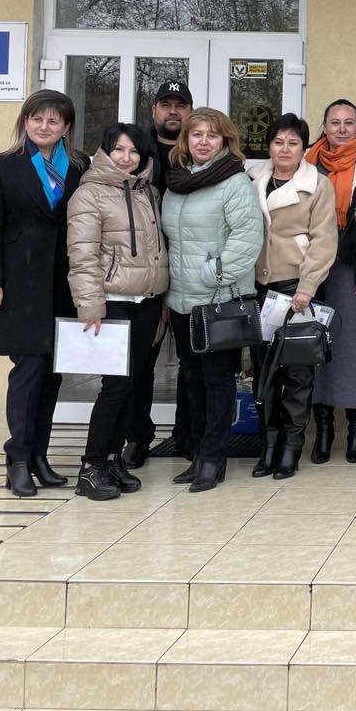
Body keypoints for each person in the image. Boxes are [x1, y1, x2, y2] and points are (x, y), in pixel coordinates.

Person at [0, 90, 87, 499]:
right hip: (18, 284)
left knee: (53, 373)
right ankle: (17, 459)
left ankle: (39, 455)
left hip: (62, 283)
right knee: (29, 369)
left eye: (53, 120)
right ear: (25, 122)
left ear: (66, 127)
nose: (44, 126)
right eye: (37, 119)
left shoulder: (81, 167)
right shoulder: (1, 166)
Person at [161, 107, 264, 493]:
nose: (204, 142)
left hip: (218, 299)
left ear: (225, 141)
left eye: (212, 135)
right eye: (197, 134)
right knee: (192, 378)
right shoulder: (177, 181)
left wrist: (215, 273)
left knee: (218, 380)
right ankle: (198, 451)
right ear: (186, 140)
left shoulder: (234, 182)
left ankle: (213, 457)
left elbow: (248, 237)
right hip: (181, 300)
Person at [66, 123, 168, 500]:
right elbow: (82, 254)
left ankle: (112, 459)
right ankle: (91, 466)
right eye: (119, 150)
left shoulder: (149, 192)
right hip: (112, 302)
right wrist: (90, 303)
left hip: (148, 302)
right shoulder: (88, 194)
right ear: (105, 152)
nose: (127, 158)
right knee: (115, 386)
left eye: (134, 151)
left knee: (133, 385)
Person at [248, 114, 338, 480]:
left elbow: (324, 240)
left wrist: (307, 287)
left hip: (296, 289)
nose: (285, 149)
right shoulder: (252, 179)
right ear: (269, 146)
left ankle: (290, 446)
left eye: (293, 143)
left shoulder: (317, 185)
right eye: (278, 142)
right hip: (258, 287)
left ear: (304, 148)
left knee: (298, 373)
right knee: (264, 372)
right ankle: (268, 443)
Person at [304, 99, 356, 464]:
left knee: (351, 348)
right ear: (324, 126)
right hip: (310, 269)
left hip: (352, 268)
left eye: (348, 122)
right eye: (334, 122)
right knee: (314, 344)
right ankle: (324, 429)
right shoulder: (306, 163)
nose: (341, 128)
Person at [122, 78, 192, 470]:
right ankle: (137, 435)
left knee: (191, 360)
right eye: (166, 104)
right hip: (143, 271)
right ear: (154, 111)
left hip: (187, 268)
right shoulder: (137, 150)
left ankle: (186, 434)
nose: (173, 111)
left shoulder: (197, 151)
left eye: (180, 105)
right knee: (141, 361)